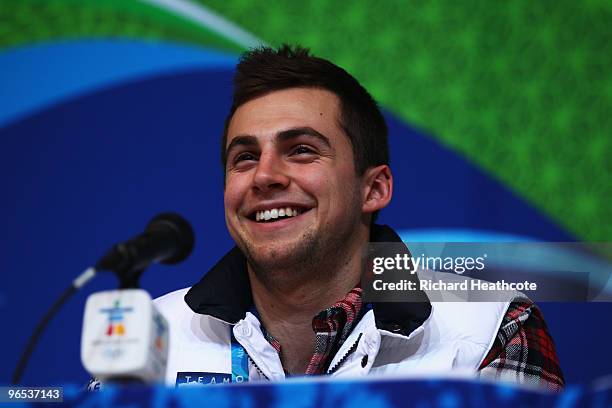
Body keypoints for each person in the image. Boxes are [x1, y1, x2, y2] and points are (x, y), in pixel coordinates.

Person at [154, 44, 564, 390]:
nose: (264, 176)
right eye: (244, 158)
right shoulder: (152, 336)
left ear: (374, 189)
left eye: (300, 150)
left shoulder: (494, 328)